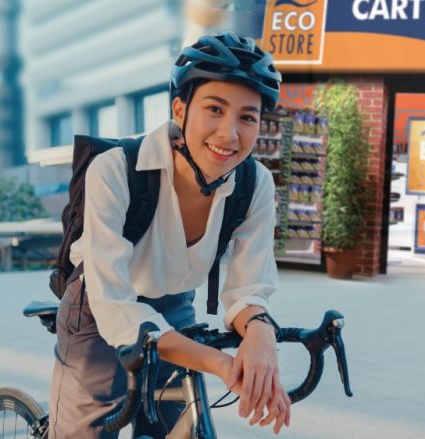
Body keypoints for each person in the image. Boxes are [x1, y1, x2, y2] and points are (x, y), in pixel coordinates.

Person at [48, 32, 288, 439]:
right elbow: (114, 306)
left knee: (172, 427)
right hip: (97, 304)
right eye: (214, 108)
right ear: (180, 108)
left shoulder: (255, 184)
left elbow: (247, 286)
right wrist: (219, 363)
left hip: (173, 303)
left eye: (247, 117)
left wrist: (262, 334)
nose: (230, 134)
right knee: (86, 430)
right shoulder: (114, 170)